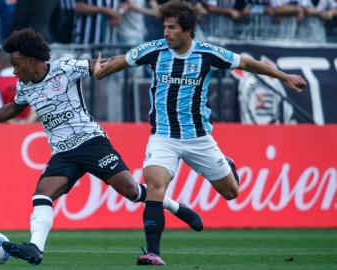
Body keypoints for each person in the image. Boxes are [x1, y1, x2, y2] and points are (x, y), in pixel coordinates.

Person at [0, 28, 203, 265]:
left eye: (17, 64)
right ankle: (35, 248)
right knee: (42, 194)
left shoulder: (64, 68)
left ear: (32, 60)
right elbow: (13, 107)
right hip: (63, 153)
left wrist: (108, 65)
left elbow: (97, 65)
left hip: (90, 142)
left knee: (131, 191)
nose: (14, 70)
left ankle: (174, 205)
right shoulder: (25, 86)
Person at [94, 0, 307, 265]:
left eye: (172, 28)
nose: (166, 33)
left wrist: (284, 76)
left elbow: (247, 64)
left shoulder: (207, 53)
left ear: (188, 30)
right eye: (165, 27)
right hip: (163, 136)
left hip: (199, 138)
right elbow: (123, 60)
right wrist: (101, 71)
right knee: (155, 184)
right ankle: (153, 253)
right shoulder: (155, 50)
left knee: (231, 193)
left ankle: (227, 165)